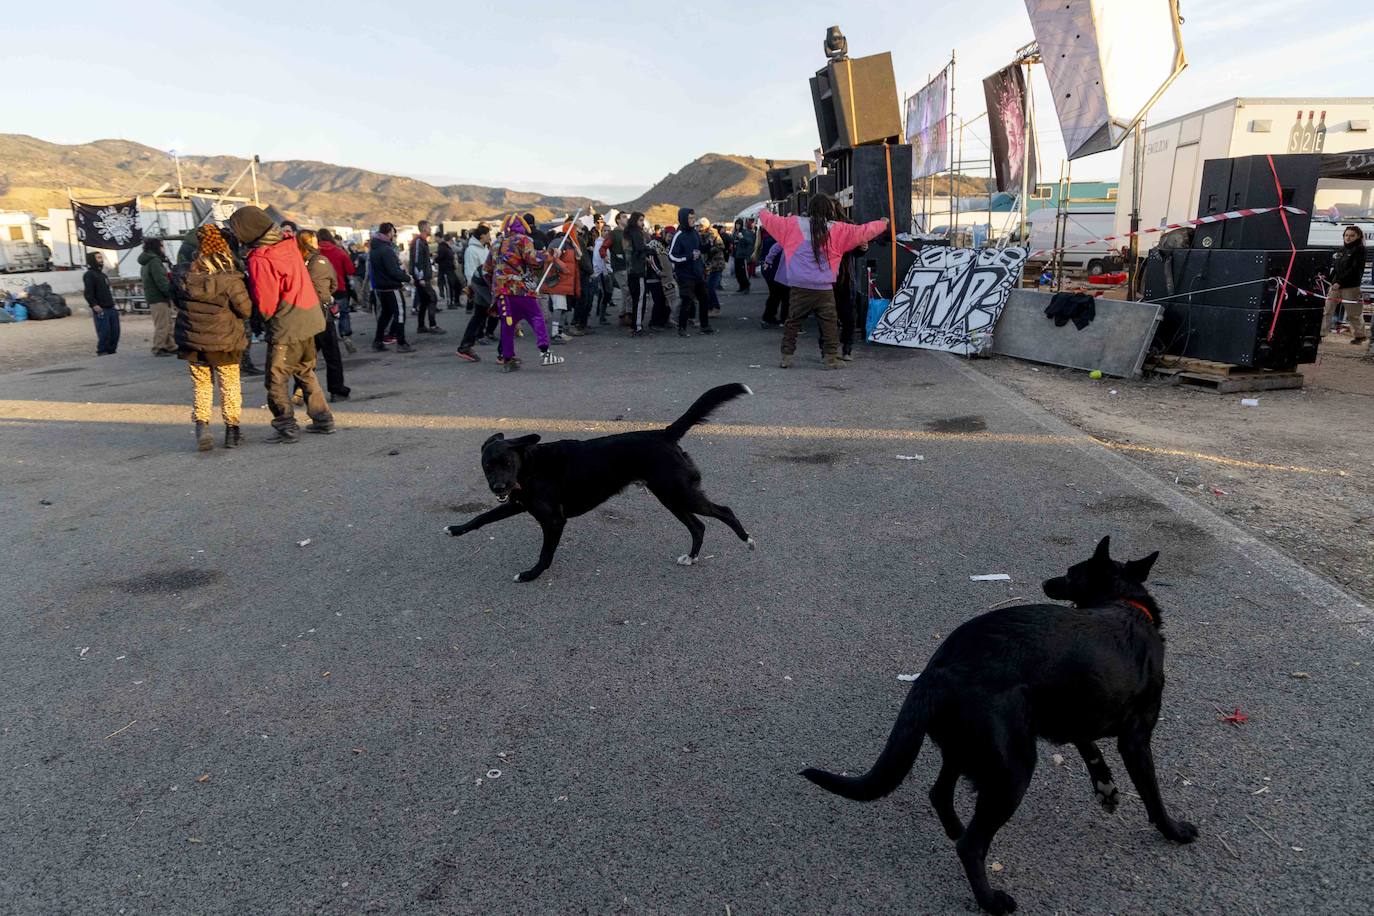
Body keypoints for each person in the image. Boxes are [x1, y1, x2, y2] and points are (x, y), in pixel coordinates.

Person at [228, 205, 333, 443]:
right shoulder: (288, 244)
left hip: (288, 323)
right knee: (306, 372)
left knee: (275, 378)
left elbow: (266, 300)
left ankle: (286, 426)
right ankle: (323, 419)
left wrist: (263, 318)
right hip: (310, 317)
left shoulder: (261, 258)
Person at [757, 194, 888, 369]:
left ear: (810, 209)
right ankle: (830, 358)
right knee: (829, 324)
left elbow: (770, 220)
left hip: (799, 287)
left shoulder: (792, 224)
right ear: (830, 210)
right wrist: (883, 223)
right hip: (824, 289)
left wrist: (763, 211)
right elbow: (863, 231)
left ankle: (786, 357)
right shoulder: (838, 230)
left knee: (792, 322)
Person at [172, 225, 253, 450]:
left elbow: (177, 303)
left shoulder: (183, 276)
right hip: (226, 339)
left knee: (201, 386)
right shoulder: (231, 278)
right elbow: (245, 310)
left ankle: (202, 427)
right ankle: (232, 432)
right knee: (229, 385)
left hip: (193, 340)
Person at [484, 213, 564, 370]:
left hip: (501, 291)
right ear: (521, 228)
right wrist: (552, 254)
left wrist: (495, 285)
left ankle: (508, 360)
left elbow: (487, 269)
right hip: (519, 289)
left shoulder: (496, 244)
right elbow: (533, 258)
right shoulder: (522, 240)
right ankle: (545, 353)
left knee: (508, 325)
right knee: (536, 317)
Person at [297, 230, 349, 402]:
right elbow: (334, 284)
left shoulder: (295, 263)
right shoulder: (321, 261)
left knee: (306, 356)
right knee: (331, 353)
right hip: (321, 312)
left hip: (302, 312)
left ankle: (299, 389)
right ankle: (337, 389)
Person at [667, 207, 715, 337]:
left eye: (694, 218)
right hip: (685, 275)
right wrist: (688, 257)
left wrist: (708, 246)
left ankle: (704, 326)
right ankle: (682, 328)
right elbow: (671, 255)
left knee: (704, 298)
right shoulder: (679, 235)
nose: (693, 220)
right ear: (683, 219)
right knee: (687, 300)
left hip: (698, 273)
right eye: (690, 218)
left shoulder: (694, 233)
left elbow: (699, 250)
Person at [369, 222, 415, 352]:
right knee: (400, 313)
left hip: (381, 287)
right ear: (389, 232)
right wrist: (408, 278)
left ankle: (378, 341)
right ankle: (401, 342)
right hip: (391, 287)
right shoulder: (386, 250)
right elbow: (393, 271)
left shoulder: (374, 249)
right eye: (393, 233)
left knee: (385, 315)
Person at [455, 224, 494, 361]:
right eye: (488, 234)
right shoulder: (471, 250)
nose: (490, 237)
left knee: (480, 315)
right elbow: (470, 270)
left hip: (485, 285)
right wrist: (472, 288)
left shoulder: (484, 248)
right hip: (480, 286)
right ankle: (504, 353)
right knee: (492, 311)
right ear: (482, 235)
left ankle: (467, 344)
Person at [1325, 225, 1368, 344]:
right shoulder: (1342, 250)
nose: (1348, 238)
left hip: (1351, 286)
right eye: (1346, 235)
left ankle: (1360, 336)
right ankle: (1321, 333)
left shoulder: (1360, 250)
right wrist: (1330, 279)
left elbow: (1354, 269)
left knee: (1354, 313)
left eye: (1351, 236)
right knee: (1328, 309)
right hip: (1335, 286)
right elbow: (1336, 267)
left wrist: (1340, 282)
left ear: (1358, 236)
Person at [316, 229, 356, 352]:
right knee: (343, 314)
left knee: (325, 317)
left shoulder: (314, 253)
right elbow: (350, 270)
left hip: (321, 291)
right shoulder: (339, 252)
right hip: (339, 288)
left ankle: (327, 342)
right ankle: (345, 335)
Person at [542, 220, 581, 342]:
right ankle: (554, 334)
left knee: (562, 307)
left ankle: (559, 331)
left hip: (563, 282)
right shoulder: (559, 242)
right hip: (558, 282)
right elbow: (549, 256)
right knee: (559, 307)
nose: (579, 232)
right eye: (577, 230)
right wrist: (562, 265)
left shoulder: (569, 244)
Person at [139, 238, 176, 355]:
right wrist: (170, 293)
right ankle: (158, 347)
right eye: (162, 246)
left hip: (154, 296)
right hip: (158, 297)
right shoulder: (155, 261)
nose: (163, 248)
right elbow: (161, 280)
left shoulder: (147, 261)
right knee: (162, 323)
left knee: (167, 322)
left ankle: (170, 345)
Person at [83, 252, 120, 356]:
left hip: (110, 307)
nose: (101, 260)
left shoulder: (102, 275)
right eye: (98, 258)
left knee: (115, 332)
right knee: (105, 332)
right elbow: (88, 292)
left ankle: (112, 350)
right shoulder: (89, 275)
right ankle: (103, 351)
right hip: (101, 309)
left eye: (101, 257)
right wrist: (94, 305)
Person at [410, 219, 443, 334]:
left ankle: (421, 326)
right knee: (432, 298)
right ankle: (432, 325)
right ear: (424, 228)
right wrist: (420, 278)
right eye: (429, 227)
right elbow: (417, 260)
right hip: (422, 278)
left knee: (424, 301)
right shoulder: (419, 242)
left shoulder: (422, 242)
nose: (431, 229)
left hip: (423, 277)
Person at [625, 211, 650, 333]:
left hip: (631, 271)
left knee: (635, 298)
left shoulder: (628, 233)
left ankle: (635, 324)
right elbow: (640, 248)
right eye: (640, 220)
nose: (642, 223)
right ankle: (637, 326)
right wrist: (651, 250)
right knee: (639, 299)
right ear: (635, 220)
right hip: (638, 270)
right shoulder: (636, 233)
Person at [698, 218, 726, 315]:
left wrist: (709, 250)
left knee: (710, 287)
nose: (699, 228)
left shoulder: (713, 234)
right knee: (706, 287)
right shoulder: (702, 235)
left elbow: (721, 246)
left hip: (716, 264)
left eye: (701, 226)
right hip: (709, 265)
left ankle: (715, 307)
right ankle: (710, 308)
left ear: (705, 226)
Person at [760, 239, 789, 327]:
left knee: (775, 296)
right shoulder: (783, 240)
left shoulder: (772, 239)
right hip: (780, 273)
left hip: (772, 272)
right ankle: (784, 320)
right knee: (785, 297)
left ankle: (768, 318)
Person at [610, 211, 630, 314]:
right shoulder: (614, 233)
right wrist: (605, 256)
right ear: (618, 220)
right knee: (626, 291)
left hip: (628, 266)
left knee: (626, 292)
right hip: (619, 266)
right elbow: (603, 246)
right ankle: (625, 314)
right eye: (624, 217)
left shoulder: (627, 233)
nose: (626, 218)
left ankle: (624, 313)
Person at [436, 233, 462, 309]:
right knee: (449, 286)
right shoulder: (443, 247)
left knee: (457, 285)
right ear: (450, 240)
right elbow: (439, 258)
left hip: (451, 269)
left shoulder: (447, 247)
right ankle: (450, 303)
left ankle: (456, 301)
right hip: (446, 270)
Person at [732, 218, 755, 293]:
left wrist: (742, 238)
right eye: (736, 224)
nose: (737, 226)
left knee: (743, 272)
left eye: (738, 224)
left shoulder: (745, 232)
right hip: (736, 255)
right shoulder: (735, 232)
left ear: (741, 225)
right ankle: (741, 286)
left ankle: (746, 286)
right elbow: (733, 241)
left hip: (742, 255)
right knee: (738, 272)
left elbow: (750, 242)